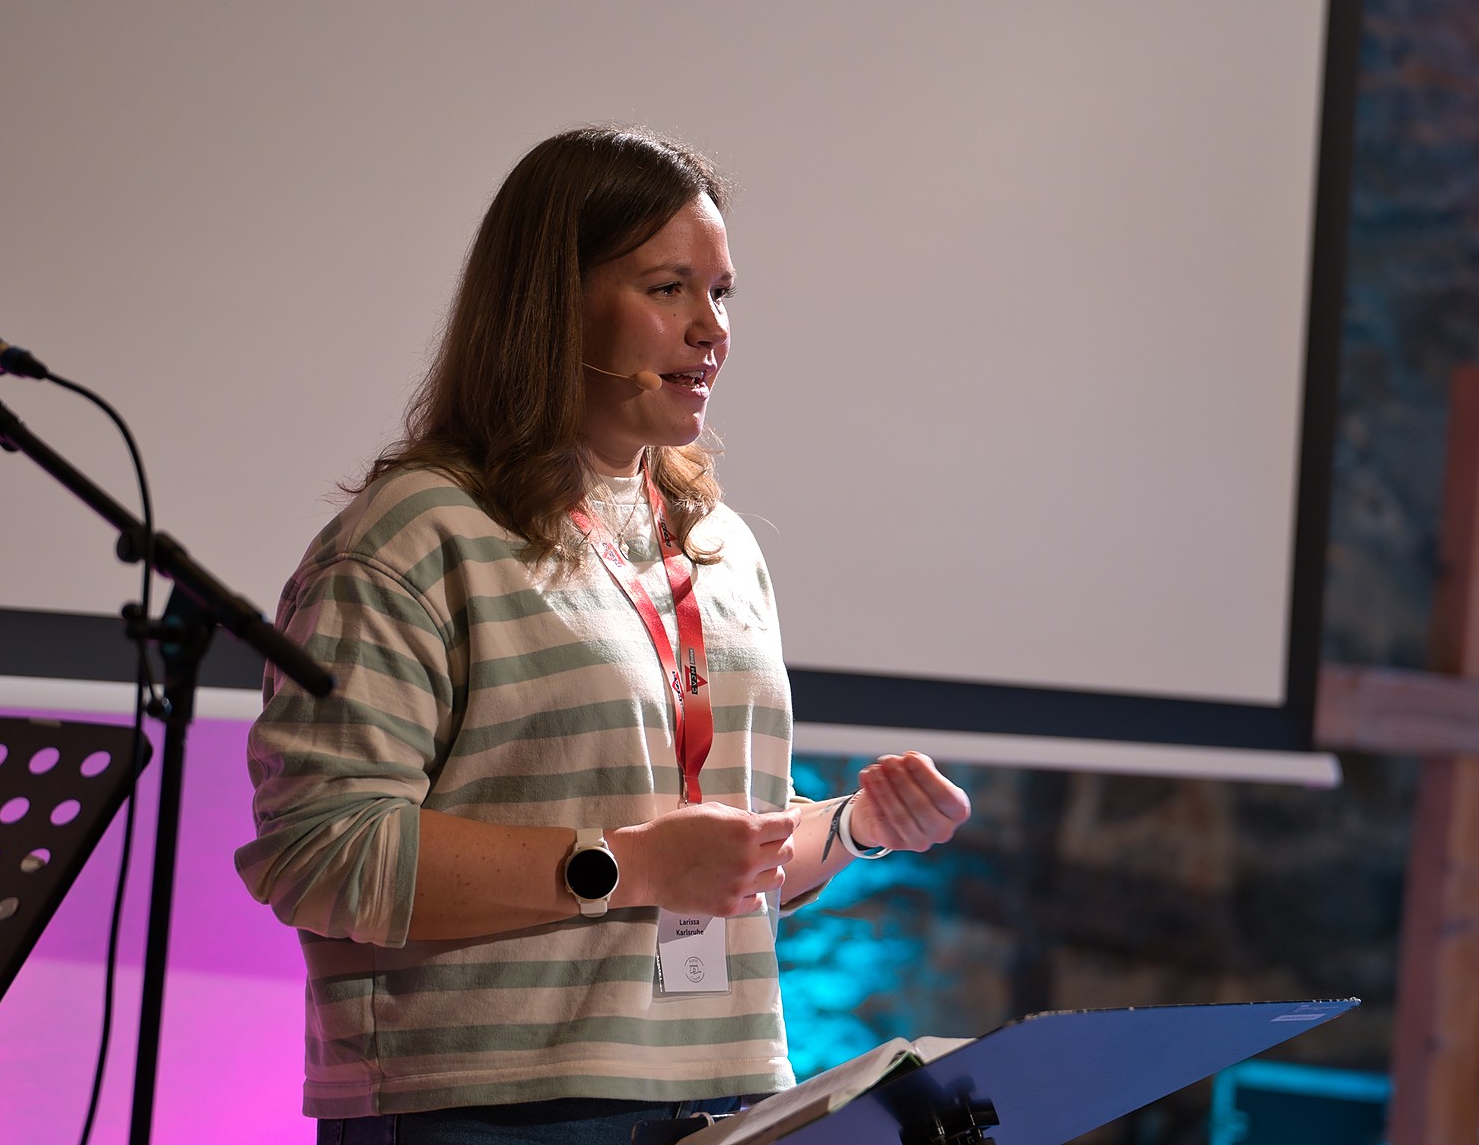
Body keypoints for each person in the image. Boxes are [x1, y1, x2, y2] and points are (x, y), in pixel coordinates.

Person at [235, 125, 973, 1145]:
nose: (711, 329)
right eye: (669, 289)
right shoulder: (416, 536)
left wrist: (848, 830)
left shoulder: (718, 545)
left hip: (723, 1099)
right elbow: (320, 852)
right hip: (483, 1114)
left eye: (722, 293)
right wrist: (626, 868)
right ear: (552, 305)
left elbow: (711, 859)